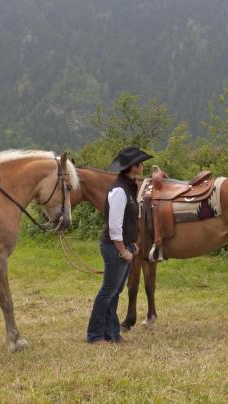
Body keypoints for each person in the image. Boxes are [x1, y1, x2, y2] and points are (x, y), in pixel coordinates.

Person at [86, 145, 152, 344]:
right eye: (140, 163)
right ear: (133, 167)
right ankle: (95, 334)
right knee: (108, 291)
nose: (142, 166)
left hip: (125, 246)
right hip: (115, 248)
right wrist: (123, 250)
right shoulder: (119, 191)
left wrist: (133, 244)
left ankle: (111, 333)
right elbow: (115, 226)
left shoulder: (128, 187)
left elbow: (128, 220)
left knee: (115, 291)